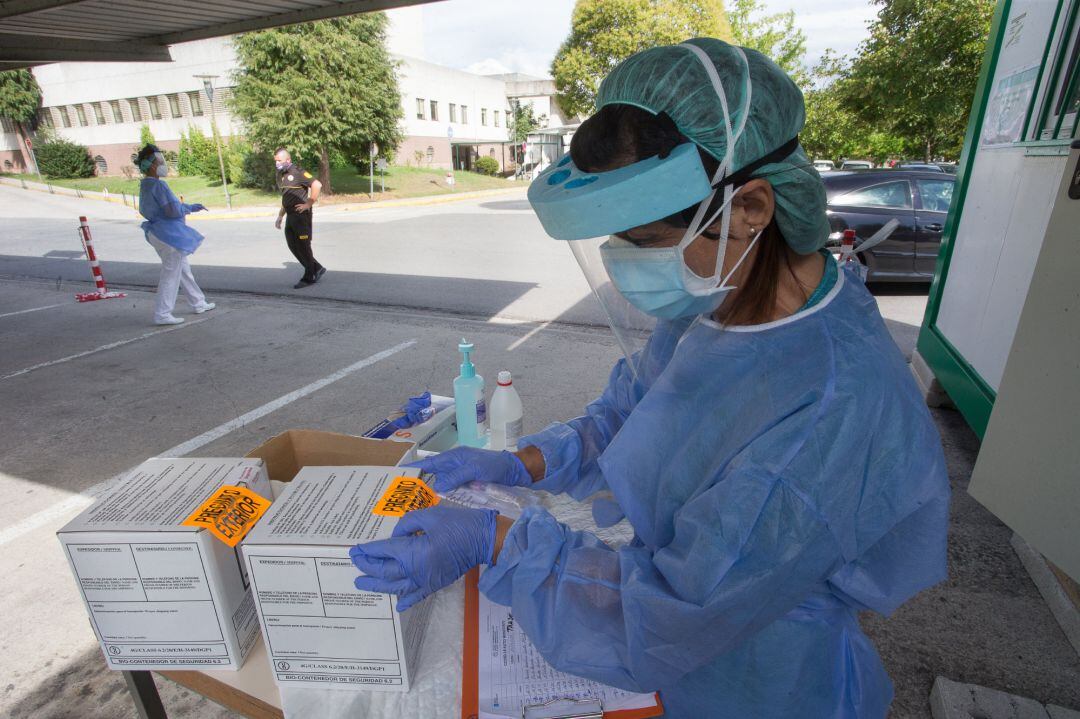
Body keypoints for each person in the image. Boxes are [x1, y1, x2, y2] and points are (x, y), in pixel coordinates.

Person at [350, 39, 950, 719]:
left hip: (763, 682)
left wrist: (494, 541)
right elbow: (634, 411)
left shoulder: (833, 403)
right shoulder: (728, 295)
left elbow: (681, 603)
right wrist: (520, 461)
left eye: (645, 241)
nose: (623, 268)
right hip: (686, 661)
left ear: (751, 208)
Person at [136, 144, 215, 325]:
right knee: (171, 274)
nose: (164, 165)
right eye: (161, 162)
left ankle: (198, 302)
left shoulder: (146, 185)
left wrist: (185, 208)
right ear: (152, 166)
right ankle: (163, 314)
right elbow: (172, 210)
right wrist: (189, 208)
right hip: (168, 235)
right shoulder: (158, 185)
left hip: (158, 233)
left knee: (183, 269)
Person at [274, 147, 325, 289]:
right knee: (292, 244)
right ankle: (317, 267)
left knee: (303, 245)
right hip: (290, 216)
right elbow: (287, 198)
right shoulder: (283, 175)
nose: (277, 163)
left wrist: (309, 203)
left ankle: (310, 275)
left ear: (288, 160)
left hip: (301, 216)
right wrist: (280, 215)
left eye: (279, 161)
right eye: (276, 161)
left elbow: (317, 184)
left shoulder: (298, 172)